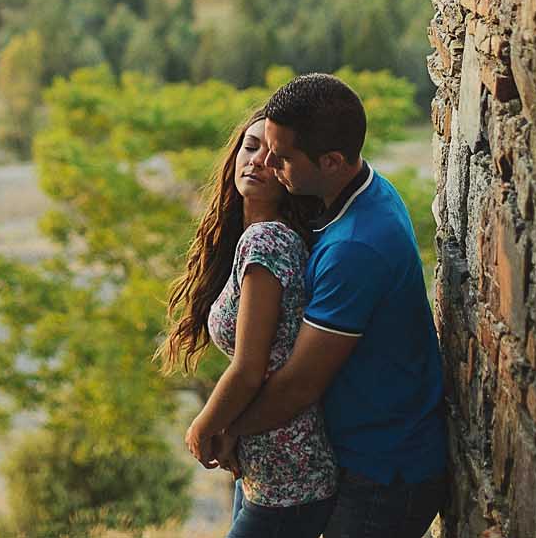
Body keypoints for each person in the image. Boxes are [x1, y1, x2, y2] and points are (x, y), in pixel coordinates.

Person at [202, 74, 449, 538]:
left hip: (384, 470)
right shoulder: (355, 191)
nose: (268, 165)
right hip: (355, 455)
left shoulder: (355, 247)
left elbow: (298, 385)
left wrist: (226, 427)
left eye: (282, 157)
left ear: (332, 161)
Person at [159, 109, 338, 538]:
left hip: (290, 477)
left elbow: (249, 368)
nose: (258, 160)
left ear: (290, 174)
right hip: (263, 466)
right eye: (251, 146)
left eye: (274, 155)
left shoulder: (268, 241)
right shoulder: (251, 238)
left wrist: (202, 426)